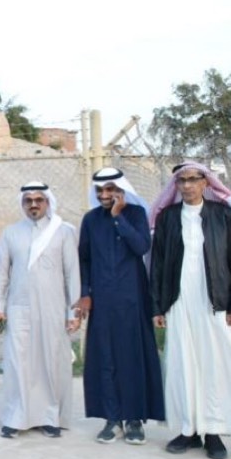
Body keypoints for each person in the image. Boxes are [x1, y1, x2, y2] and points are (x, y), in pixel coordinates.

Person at [149, 162, 231, 459]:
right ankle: (189, 430)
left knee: (214, 366)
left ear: (205, 183)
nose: (187, 186)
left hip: (214, 303)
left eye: (193, 179)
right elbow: (157, 265)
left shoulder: (222, 214)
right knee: (181, 365)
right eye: (181, 181)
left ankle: (214, 432)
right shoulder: (168, 217)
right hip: (179, 302)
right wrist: (157, 306)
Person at [75, 167, 165, 444]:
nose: (105, 195)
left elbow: (141, 247)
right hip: (102, 300)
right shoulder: (90, 220)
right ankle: (112, 418)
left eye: (110, 190)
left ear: (121, 190)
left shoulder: (136, 214)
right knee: (105, 357)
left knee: (131, 356)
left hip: (133, 300)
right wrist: (85, 293)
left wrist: (118, 217)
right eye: (100, 190)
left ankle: (134, 419)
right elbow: (84, 259)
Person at [0, 182, 81, 439]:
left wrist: (73, 313)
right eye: (28, 200)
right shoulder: (10, 233)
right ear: (22, 204)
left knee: (50, 361)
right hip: (18, 307)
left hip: (53, 307)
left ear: (47, 202)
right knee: (18, 362)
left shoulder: (63, 232)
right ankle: (16, 417)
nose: (33, 204)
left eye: (39, 200)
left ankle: (49, 417)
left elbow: (72, 274)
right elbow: (0, 273)